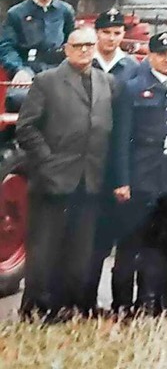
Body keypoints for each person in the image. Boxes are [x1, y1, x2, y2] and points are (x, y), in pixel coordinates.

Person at [16, 26, 116, 319]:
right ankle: (35, 309)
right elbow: (26, 128)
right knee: (45, 250)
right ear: (66, 49)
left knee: (79, 251)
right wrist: (47, 162)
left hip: (90, 180)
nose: (84, 50)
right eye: (78, 45)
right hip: (53, 180)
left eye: (89, 44)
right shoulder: (47, 81)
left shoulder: (106, 81)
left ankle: (66, 307)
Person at [113, 32, 167, 315]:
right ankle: (123, 303)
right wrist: (122, 180)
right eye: (161, 53)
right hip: (142, 174)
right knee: (132, 244)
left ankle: (158, 301)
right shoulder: (132, 88)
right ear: (150, 56)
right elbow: (121, 137)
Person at [87, 8, 139, 311]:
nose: (111, 37)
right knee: (92, 239)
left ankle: (122, 302)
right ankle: (85, 300)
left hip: (123, 158)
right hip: (90, 156)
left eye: (117, 32)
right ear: (97, 33)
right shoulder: (86, 61)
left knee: (126, 239)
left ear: (123, 35)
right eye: (106, 32)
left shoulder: (132, 67)